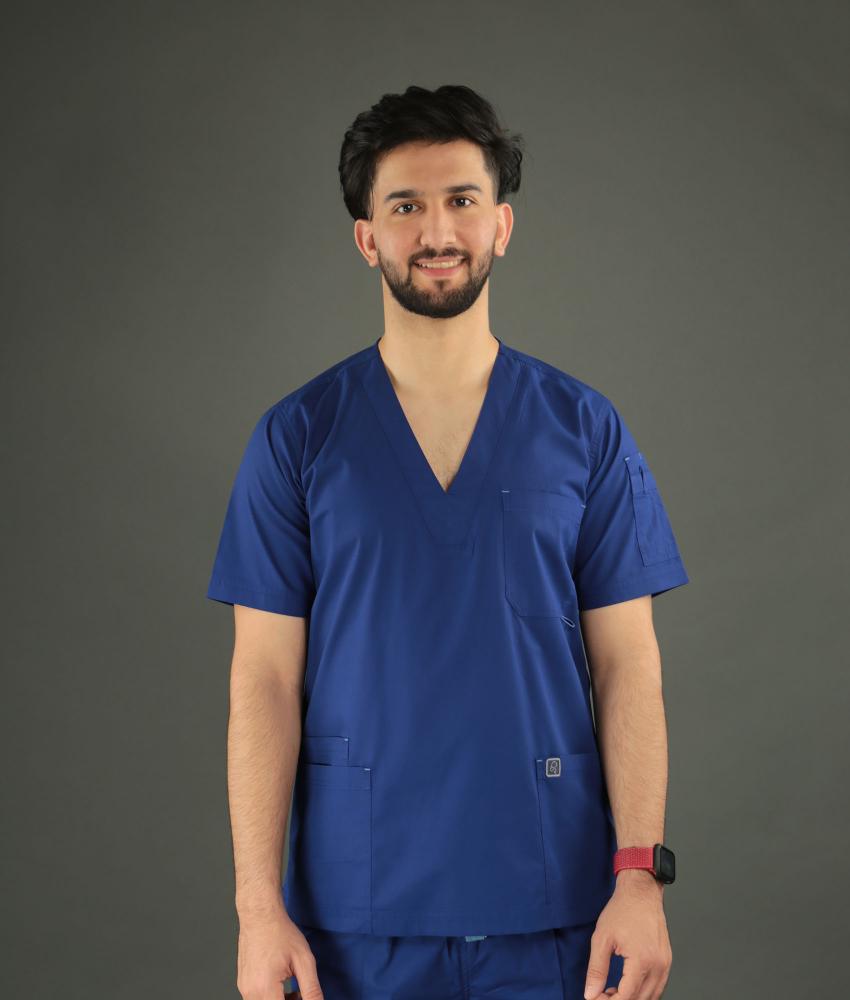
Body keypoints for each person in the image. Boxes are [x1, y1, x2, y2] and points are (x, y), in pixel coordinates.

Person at [206, 83, 689, 1000]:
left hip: (554, 907)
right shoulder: (299, 438)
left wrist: (639, 878)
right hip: (357, 917)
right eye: (405, 206)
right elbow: (262, 679)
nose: (437, 231)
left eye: (462, 200)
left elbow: (629, 664)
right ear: (367, 238)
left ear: (501, 225)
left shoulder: (584, 430)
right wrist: (257, 910)